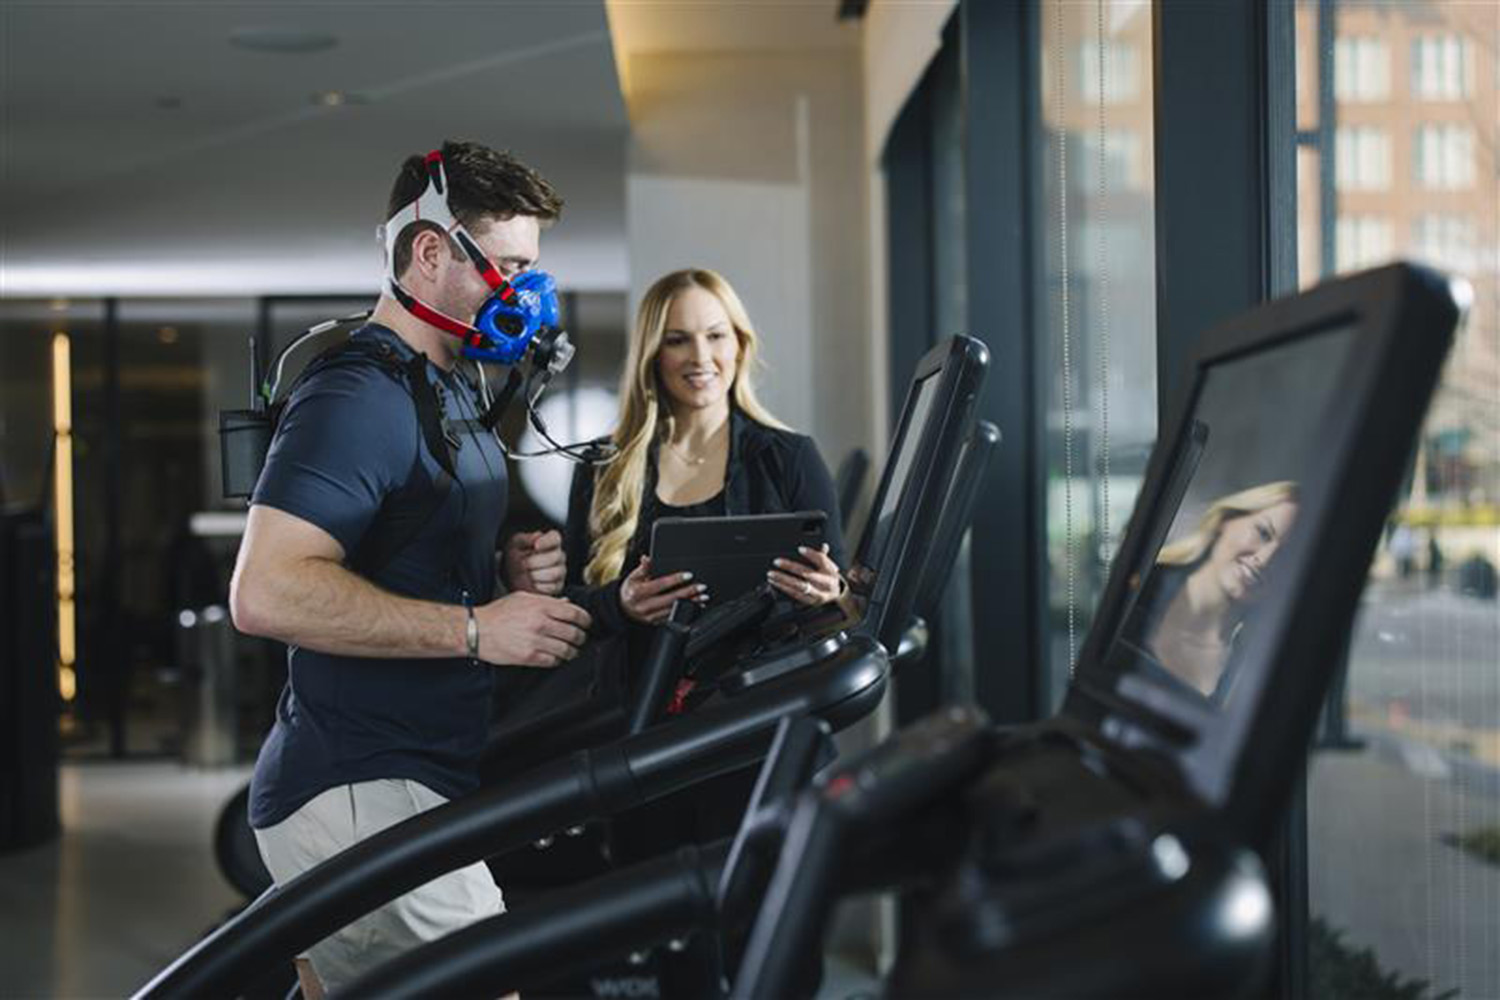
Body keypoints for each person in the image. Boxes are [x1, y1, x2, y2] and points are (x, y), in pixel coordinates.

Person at [228, 139, 590, 998]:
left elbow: (401, 541)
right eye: (503, 265)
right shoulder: (357, 395)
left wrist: (503, 572)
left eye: (529, 268)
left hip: (407, 777)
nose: (523, 292)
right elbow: (266, 590)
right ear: (430, 251)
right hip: (360, 791)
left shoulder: (451, 383)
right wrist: (476, 630)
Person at [562, 267, 846, 637]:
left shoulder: (791, 456)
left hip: (758, 689)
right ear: (653, 354)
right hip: (635, 688)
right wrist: (621, 603)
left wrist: (831, 592)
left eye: (715, 336)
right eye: (677, 340)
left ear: (739, 346)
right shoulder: (602, 462)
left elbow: (846, 602)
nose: (700, 356)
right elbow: (568, 601)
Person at [1120, 481, 1299, 701]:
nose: (1264, 560)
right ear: (1226, 520)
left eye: (1286, 556)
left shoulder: (1259, 665)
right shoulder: (1136, 586)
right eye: (1263, 533)